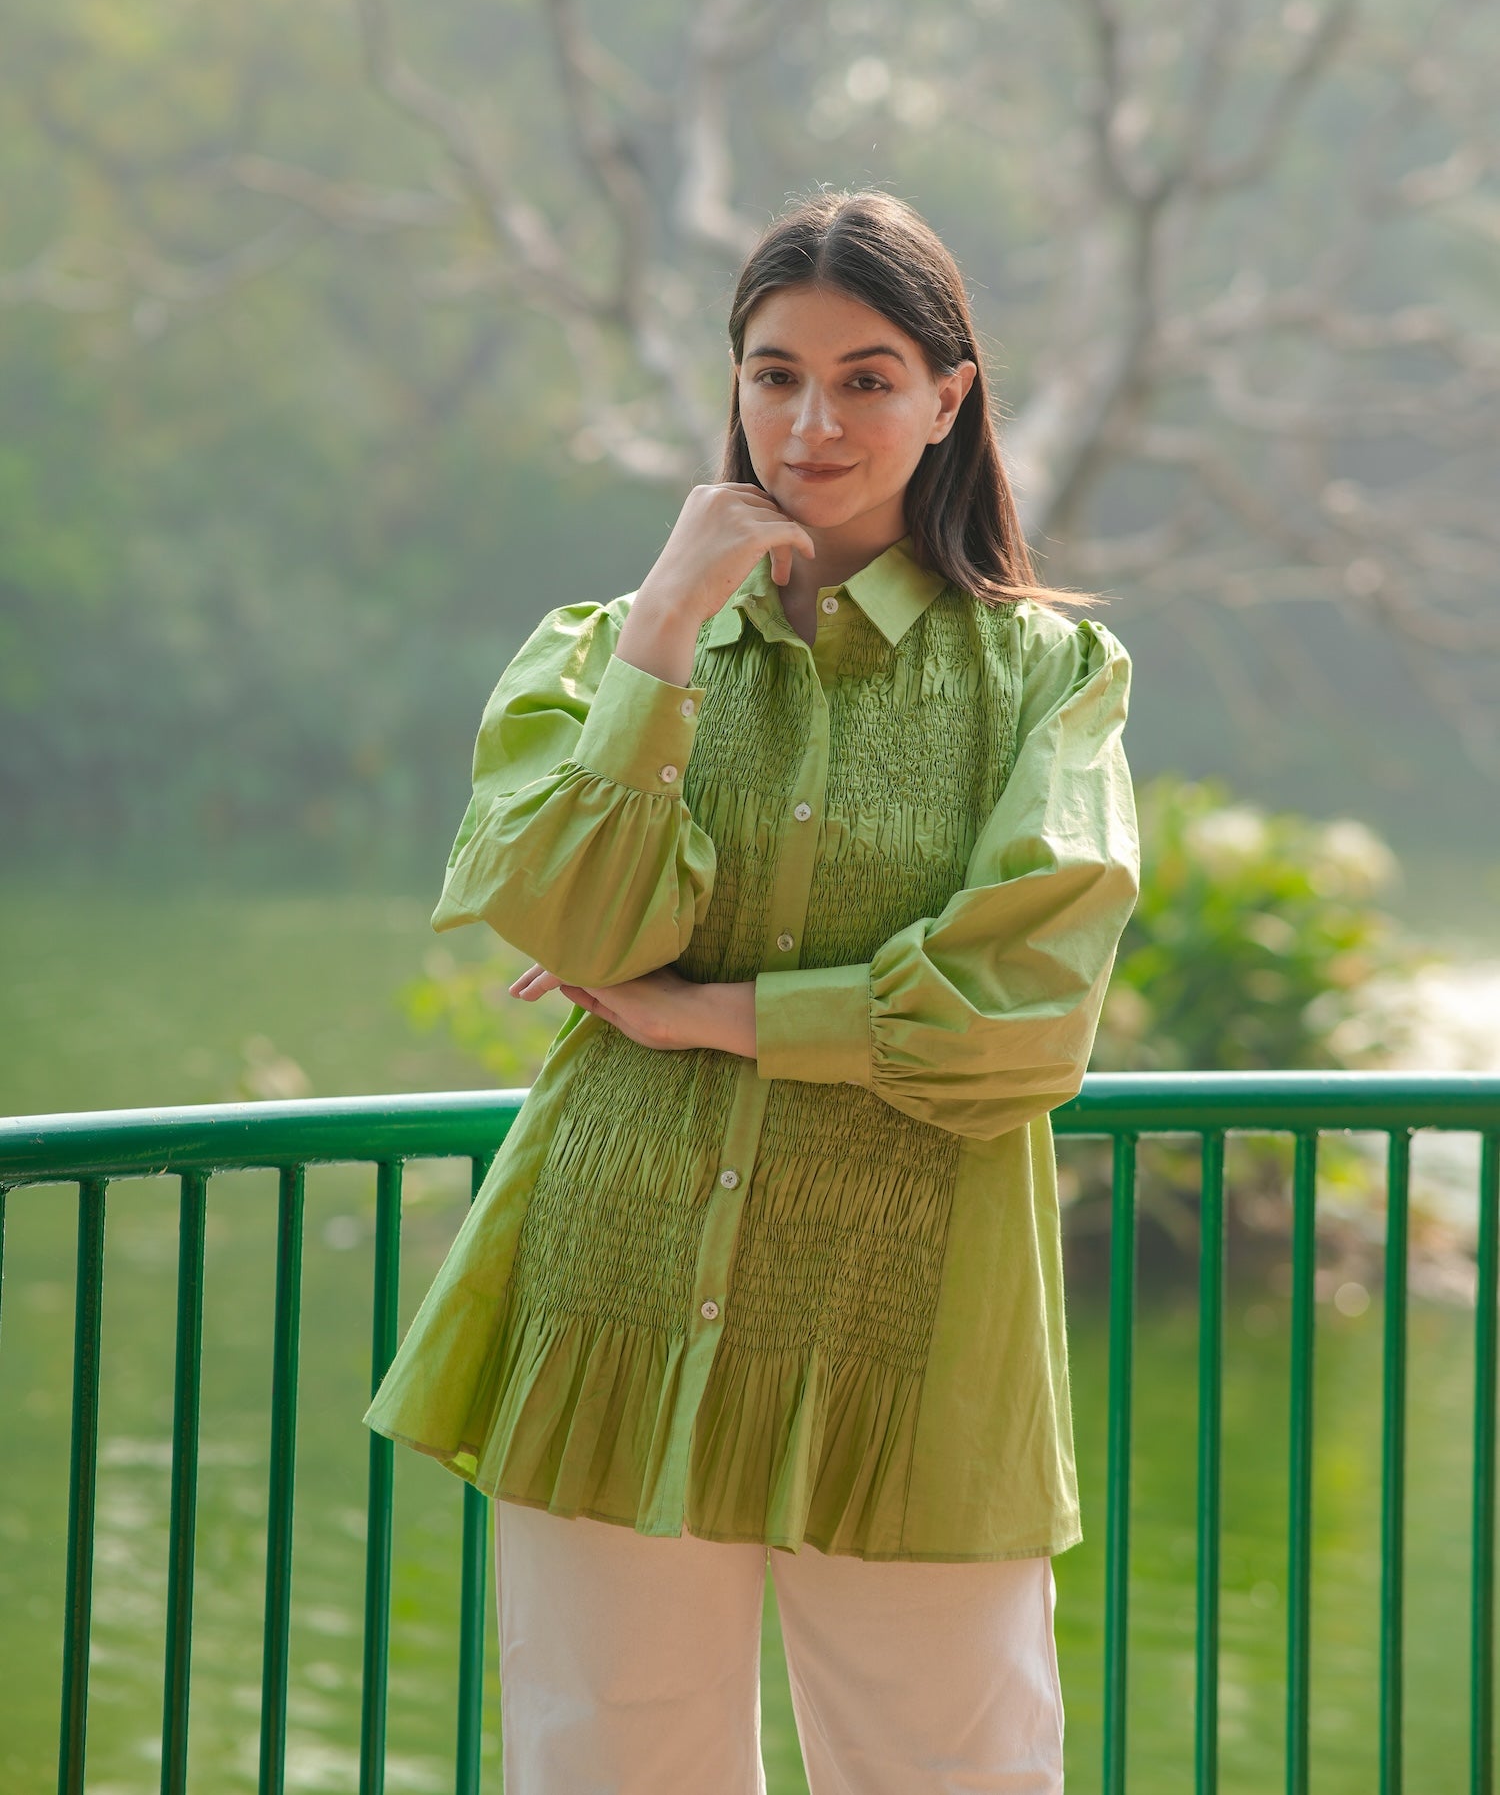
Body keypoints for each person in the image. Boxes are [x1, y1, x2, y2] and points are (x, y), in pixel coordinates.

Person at [366, 190, 1139, 1794]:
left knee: (959, 1769)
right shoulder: (598, 655)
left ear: (949, 396)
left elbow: (1021, 1015)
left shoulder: (1047, 680)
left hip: (911, 1328)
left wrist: (701, 1009)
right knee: (608, 1769)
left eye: (867, 376)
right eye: (773, 372)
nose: (812, 418)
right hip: (615, 1300)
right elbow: (565, 904)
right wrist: (665, 620)